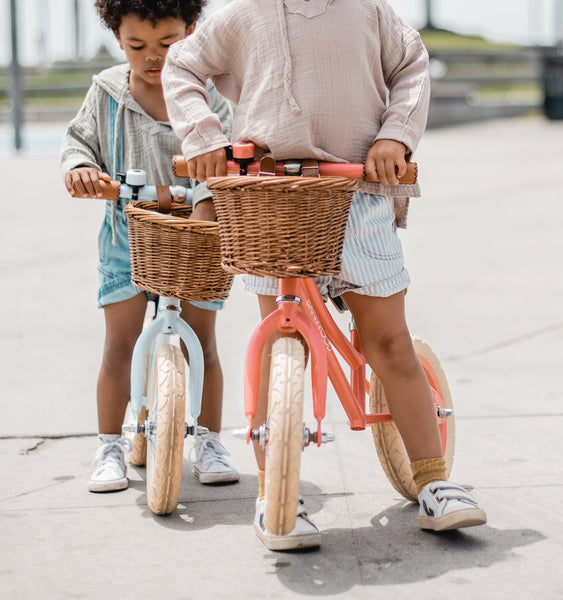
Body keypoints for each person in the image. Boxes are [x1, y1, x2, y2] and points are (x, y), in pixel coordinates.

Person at [162, 0, 487, 550]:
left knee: (389, 342)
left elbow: (411, 65)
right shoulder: (241, 14)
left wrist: (395, 136)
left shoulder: (369, 11)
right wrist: (205, 137)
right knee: (275, 346)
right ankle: (274, 493)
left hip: (359, 189)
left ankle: (434, 482)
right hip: (272, 197)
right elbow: (182, 66)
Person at [60, 0, 239, 494]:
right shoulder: (109, 92)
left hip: (197, 238)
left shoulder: (208, 98)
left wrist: (209, 204)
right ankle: (109, 444)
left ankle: (208, 438)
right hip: (128, 238)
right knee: (119, 346)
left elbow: (232, 155)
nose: (153, 58)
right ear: (118, 37)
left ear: (193, 31)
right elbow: (79, 142)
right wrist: (80, 168)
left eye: (168, 44)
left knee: (201, 342)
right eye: (137, 46)